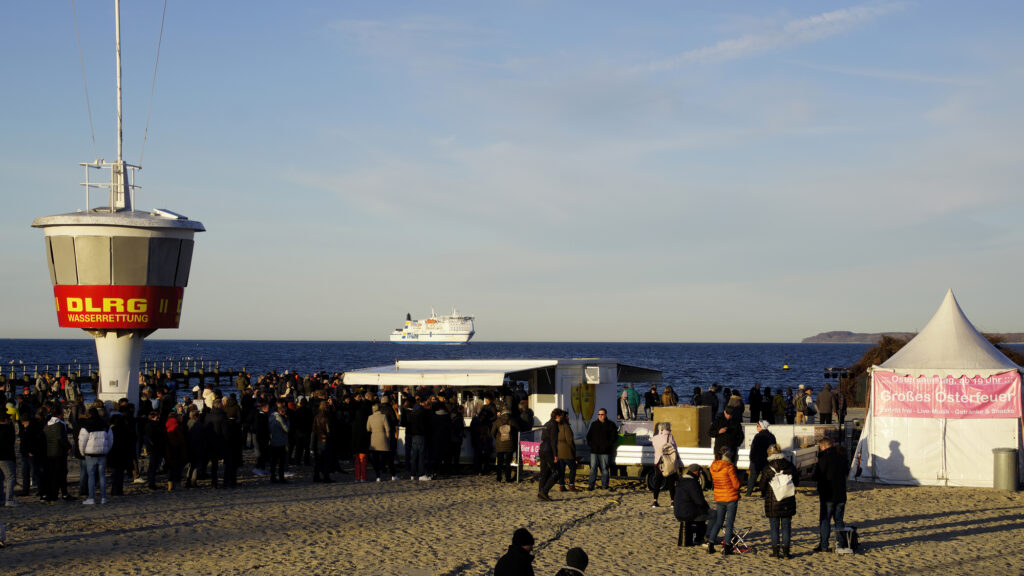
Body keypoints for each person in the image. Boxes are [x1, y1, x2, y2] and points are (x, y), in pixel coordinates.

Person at [759, 444, 799, 559]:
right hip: (788, 500)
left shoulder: (767, 468)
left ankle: (775, 552)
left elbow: (762, 486)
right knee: (786, 527)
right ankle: (786, 552)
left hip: (773, 502)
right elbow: (796, 482)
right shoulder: (789, 465)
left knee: (774, 527)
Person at [813, 437, 850, 552]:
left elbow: (817, 475)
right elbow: (847, 472)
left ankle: (824, 545)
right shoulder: (841, 457)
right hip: (840, 493)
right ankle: (841, 544)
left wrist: (812, 474)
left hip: (827, 494)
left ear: (823, 446)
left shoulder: (823, 458)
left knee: (825, 520)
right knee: (839, 520)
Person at [706, 448, 741, 555]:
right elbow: (736, 485)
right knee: (729, 523)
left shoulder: (713, 467)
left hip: (719, 497)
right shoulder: (729, 467)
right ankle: (726, 547)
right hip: (730, 498)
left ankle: (710, 544)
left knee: (718, 522)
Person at [77, 406, 113, 504]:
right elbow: (110, 440)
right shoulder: (105, 425)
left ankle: (91, 497)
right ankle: (103, 497)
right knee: (102, 476)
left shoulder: (86, 426)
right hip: (102, 453)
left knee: (91, 476)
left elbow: (82, 441)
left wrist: (82, 452)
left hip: (90, 454)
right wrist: (106, 450)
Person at [674, 463, 710, 547]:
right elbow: (700, 501)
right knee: (712, 515)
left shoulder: (681, 480)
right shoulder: (693, 482)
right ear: (696, 472)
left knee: (702, 513)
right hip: (687, 513)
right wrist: (706, 509)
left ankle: (698, 534)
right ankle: (705, 537)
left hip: (678, 511)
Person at [586, 408, 617, 490]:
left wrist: (607, 446)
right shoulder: (594, 424)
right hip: (594, 451)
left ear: (606, 415)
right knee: (593, 469)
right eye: (599, 414)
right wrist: (591, 445)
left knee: (605, 469)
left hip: (605, 452)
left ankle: (604, 485)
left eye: (602, 414)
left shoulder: (611, 425)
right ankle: (591, 485)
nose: (600, 416)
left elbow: (614, 438)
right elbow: (588, 436)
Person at [650, 422, 681, 507]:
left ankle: (655, 501)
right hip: (669, 462)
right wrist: (679, 462)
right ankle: (672, 501)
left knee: (658, 481)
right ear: (667, 428)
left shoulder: (655, 438)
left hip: (658, 462)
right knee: (671, 482)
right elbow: (675, 449)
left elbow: (655, 446)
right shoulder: (670, 437)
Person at [537, 409, 564, 501]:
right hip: (548, 450)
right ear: (557, 416)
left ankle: (540, 491)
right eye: (561, 416)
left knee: (544, 472)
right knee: (557, 472)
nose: (562, 418)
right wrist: (555, 455)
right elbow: (553, 441)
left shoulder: (547, 423)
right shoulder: (554, 425)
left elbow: (542, 437)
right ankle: (544, 492)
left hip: (542, 448)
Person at [746, 420, 776, 497]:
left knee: (753, 477)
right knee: (765, 477)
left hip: (756, 460)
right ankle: (763, 493)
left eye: (757, 426)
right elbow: (773, 449)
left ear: (761, 427)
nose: (756, 427)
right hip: (766, 460)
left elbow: (753, 449)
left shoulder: (758, 436)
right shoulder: (771, 436)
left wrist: (751, 459)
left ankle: (748, 493)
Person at [492, 405, 519, 483]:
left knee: (499, 462)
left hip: (500, 444)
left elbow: (492, 432)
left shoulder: (498, 421)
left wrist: (497, 438)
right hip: (510, 445)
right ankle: (508, 478)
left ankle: (499, 478)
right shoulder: (512, 420)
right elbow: (518, 430)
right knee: (508, 462)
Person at [366, 404, 391, 482]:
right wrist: (387, 437)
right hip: (383, 439)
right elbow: (388, 429)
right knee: (387, 458)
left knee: (375, 459)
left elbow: (368, 429)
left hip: (374, 440)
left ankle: (378, 476)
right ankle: (392, 474)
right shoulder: (383, 416)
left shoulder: (370, 417)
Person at [556, 413, 577, 492]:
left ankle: (561, 485)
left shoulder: (558, 426)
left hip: (559, 451)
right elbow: (570, 440)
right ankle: (571, 485)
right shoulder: (566, 426)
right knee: (573, 468)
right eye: (567, 416)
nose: (568, 417)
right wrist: (573, 449)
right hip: (567, 451)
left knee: (561, 469)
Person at [0, 409, 16, 506]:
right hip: (6, 456)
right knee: (10, 478)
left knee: (1, 479)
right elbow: (11, 443)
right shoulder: (7, 429)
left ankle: (2, 499)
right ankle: (9, 499)